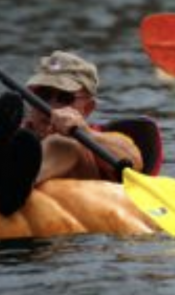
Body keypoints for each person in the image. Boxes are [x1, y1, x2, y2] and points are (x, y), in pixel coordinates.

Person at [0, 52, 157, 217]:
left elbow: (135, 163)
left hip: (78, 217)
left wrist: (85, 133)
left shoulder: (98, 139)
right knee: (21, 140)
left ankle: (12, 184)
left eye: (64, 98)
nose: (51, 106)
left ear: (88, 108)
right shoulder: (17, 132)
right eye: (43, 95)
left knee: (62, 143)